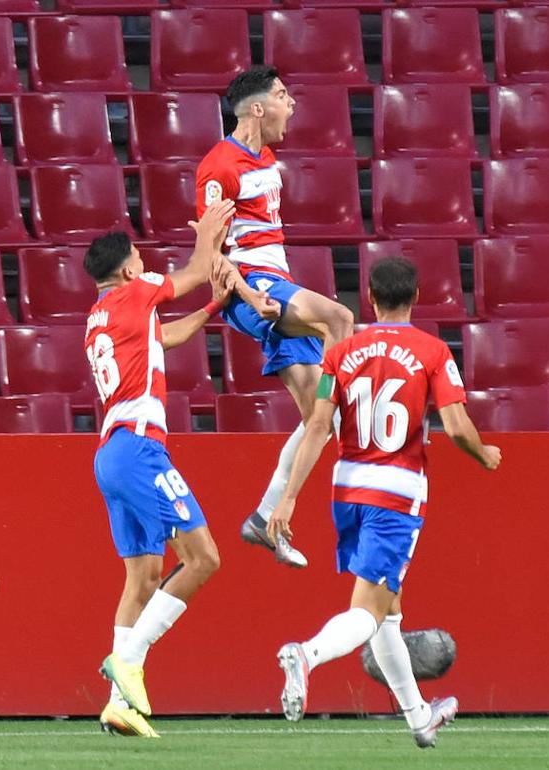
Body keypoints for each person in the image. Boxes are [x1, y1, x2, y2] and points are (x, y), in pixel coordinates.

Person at [266, 256, 502, 748]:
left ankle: (419, 717)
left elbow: (317, 425)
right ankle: (306, 655)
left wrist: (286, 499)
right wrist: (485, 455)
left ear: (369, 299)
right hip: (395, 492)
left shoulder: (339, 354)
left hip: (347, 490)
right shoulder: (433, 351)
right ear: (416, 297)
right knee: (369, 610)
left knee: (388, 609)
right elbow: (457, 426)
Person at [85, 201, 235, 738]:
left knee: (144, 576)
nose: (146, 264)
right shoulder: (137, 292)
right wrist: (210, 235)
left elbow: (166, 337)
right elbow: (192, 271)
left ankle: (117, 704)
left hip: (110, 454)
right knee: (203, 557)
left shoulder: (100, 317)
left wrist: (214, 306)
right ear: (128, 270)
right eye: (140, 258)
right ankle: (129, 661)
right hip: (140, 448)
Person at [196, 66, 354, 570]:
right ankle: (354, 418)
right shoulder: (219, 167)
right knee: (340, 319)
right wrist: (250, 296)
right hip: (253, 288)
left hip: (277, 285)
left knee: (316, 423)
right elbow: (209, 256)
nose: (293, 104)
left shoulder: (265, 158)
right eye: (284, 95)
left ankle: (265, 518)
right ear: (259, 108)